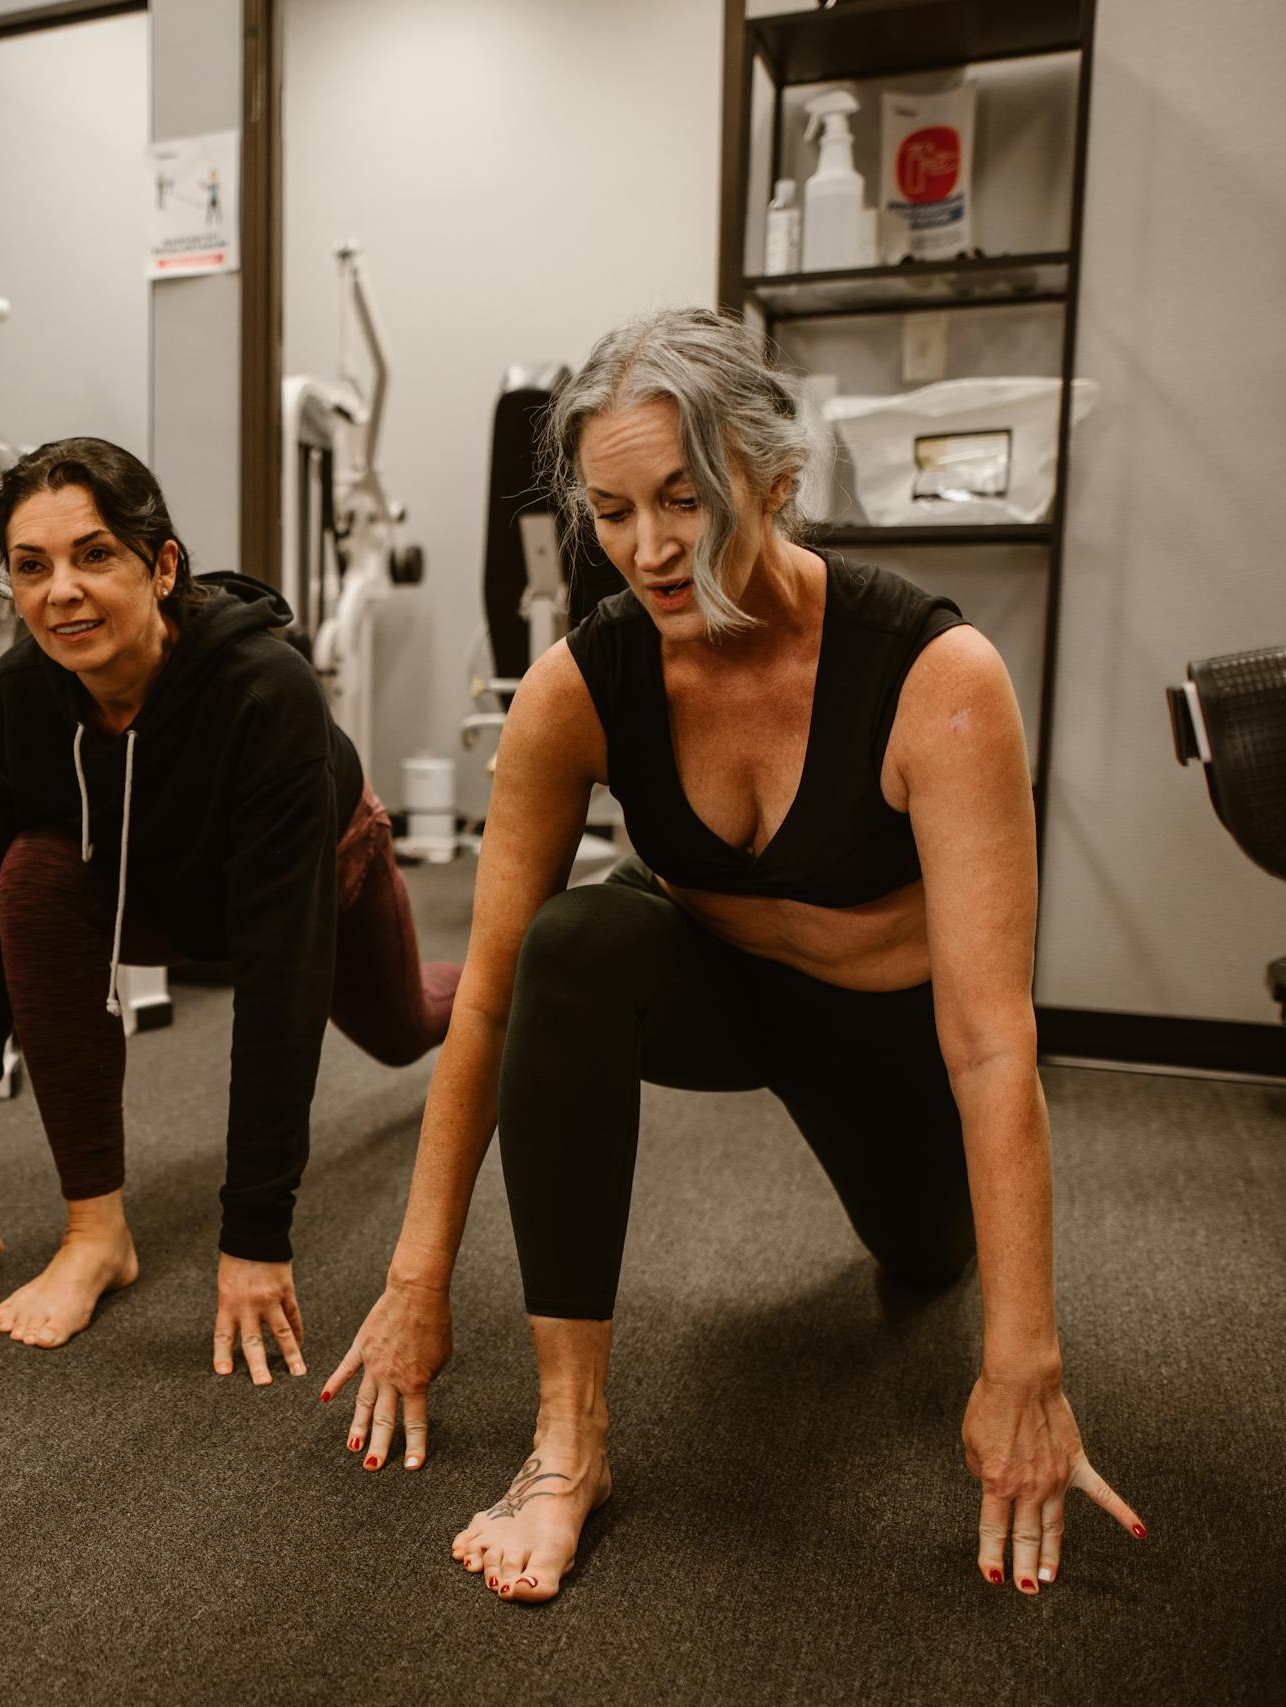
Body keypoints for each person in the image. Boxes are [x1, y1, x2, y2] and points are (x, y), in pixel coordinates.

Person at [323, 308, 1146, 1602]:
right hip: (710, 988)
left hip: (884, 1033)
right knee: (570, 943)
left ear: (773, 475)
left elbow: (993, 1043)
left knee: (923, 1259)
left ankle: (929, 1250)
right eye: (612, 511)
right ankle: (568, 1440)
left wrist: (1024, 1363)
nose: (648, 548)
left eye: (684, 499)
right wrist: (415, 1274)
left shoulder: (934, 673)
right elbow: (480, 1005)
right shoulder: (582, 686)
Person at [0, 437, 460, 1375]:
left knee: (405, 1027)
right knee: (28, 877)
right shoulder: (15, 701)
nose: (62, 592)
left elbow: (279, 980)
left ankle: (493, 984)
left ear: (163, 567)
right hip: (139, 887)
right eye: (32, 567)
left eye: (94, 555)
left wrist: (256, 1235)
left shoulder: (264, 691)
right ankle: (95, 1232)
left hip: (316, 869)